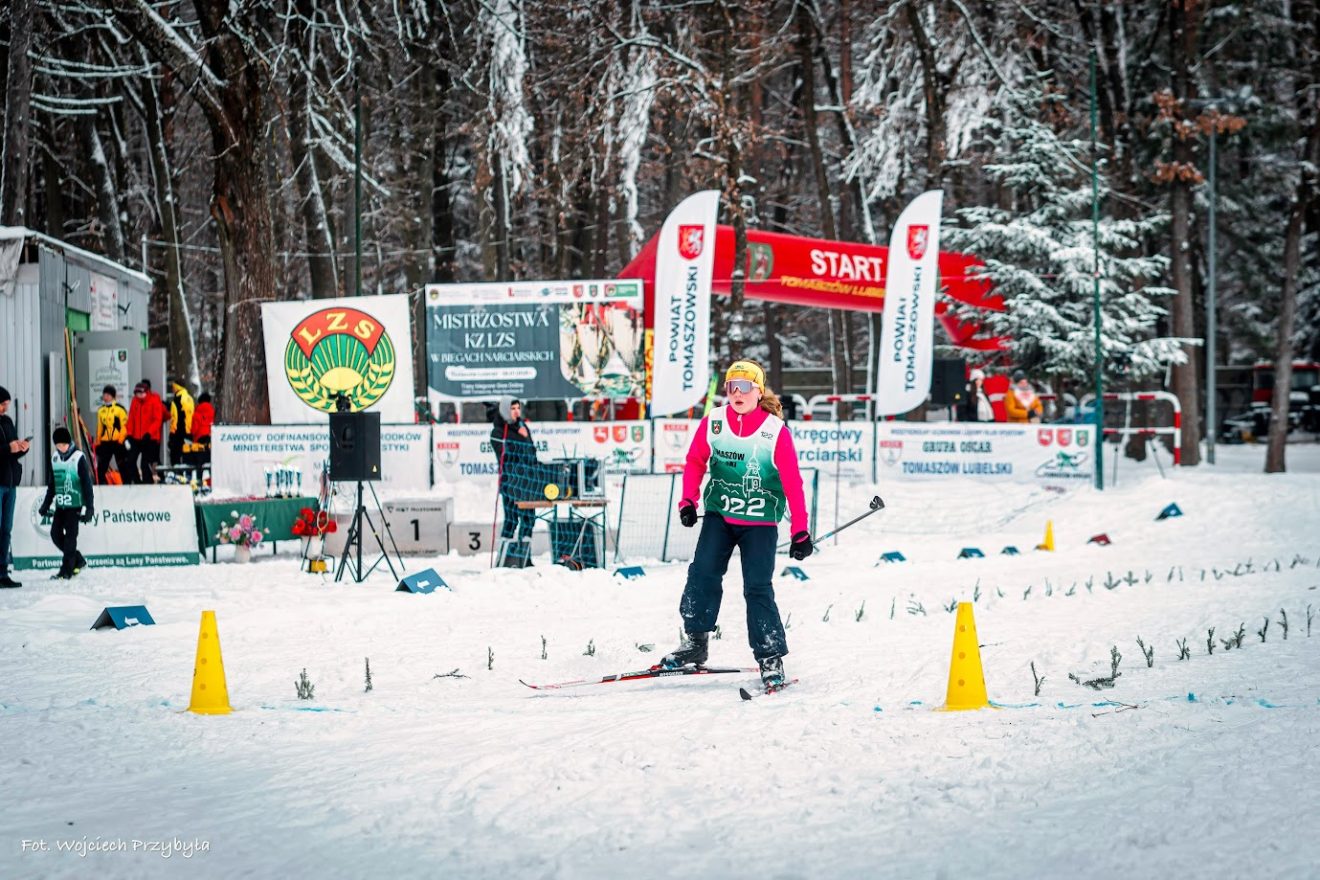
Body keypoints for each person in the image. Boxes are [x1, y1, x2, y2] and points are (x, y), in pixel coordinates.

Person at [661, 359, 813, 691]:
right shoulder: (714, 422)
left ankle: (770, 656)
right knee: (702, 573)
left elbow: (792, 482)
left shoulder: (774, 431)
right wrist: (688, 501)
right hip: (720, 515)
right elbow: (695, 461)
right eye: (731, 386)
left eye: (744, 386)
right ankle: (696, 642)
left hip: (760, 521)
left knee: (757, 587)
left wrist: (800, 530)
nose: (737, 393)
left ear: (759, 392)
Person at [38, 426, 95, 580]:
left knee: (70, 538)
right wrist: (45, 504)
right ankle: (78, 559)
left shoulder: (78, 457)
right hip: (61, 505)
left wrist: (90, 507)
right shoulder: (55, 459)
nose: (61, 448)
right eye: (58, 445)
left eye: (63, 444)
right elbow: (52, 485)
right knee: (55, 534)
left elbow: (87, 484)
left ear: (69, 442)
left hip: (75, 505)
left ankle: (66, 571)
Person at [489, 397, 538, 557]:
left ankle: (524, 556)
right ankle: (505, 557)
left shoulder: (523, 427)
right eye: (512, 409)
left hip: (527, 482)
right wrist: (521, 437)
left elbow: (531, 452)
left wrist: (524, 437)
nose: (516, 412)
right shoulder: (497, 432)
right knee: (511, 520)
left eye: (518, 408)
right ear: (505, 410)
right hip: (510, 482)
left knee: (529, 519)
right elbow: (507, 456)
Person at [0, 385, 31, 588]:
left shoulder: (8, 422)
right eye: (3, 404)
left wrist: (22, 448)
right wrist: (7, 448)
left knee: (6, 530)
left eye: (7, 404)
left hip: (10, 483)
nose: (5, 408)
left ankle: (3, 572)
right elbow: (5, 450)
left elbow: (12, 451)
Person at [127, 380, 165, 483]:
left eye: (141, 393)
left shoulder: (154, 399)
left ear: (146, 392)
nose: (138, 395)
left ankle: (147, 483)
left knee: (145, 464)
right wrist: (129, 434)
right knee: (130, 460)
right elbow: (131, 419)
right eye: (137, 393)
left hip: (150, 438)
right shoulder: (135, 401)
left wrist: (149, 433)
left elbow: (157, 419)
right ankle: (137, 482)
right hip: (136, 437)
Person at [94, 384, 131, 484]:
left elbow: (124, 426)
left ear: (113, 396)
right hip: (106, 442)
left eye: (108, 395)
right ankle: (102, 485)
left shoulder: (120, 409)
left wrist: (121, 440)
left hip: (117, 441)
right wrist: (98, 442)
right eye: (104, 394)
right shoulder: (101, 410)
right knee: (102, 466)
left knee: (122, 465)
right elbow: (100, 427)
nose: (105, 397)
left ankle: (127, 485)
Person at [167, 377, 195, 466]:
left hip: (178, 433)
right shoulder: (190, 398)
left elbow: (175, 419)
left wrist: (172, 434)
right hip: (189, 432)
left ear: (176, 387)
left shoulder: (177, 400)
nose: (172, 389)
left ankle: (177, 473)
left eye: (173, 387)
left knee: (175, 458)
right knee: (187, 458)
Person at [189, 391, 215, 483]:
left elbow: (194, 429)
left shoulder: (197, 413)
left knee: (199, 462)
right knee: (212, 461)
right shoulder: (213, 412)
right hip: (211, 438)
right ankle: (212, 481)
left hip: (200, 439)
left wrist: (191, 434)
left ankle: (199, 481)